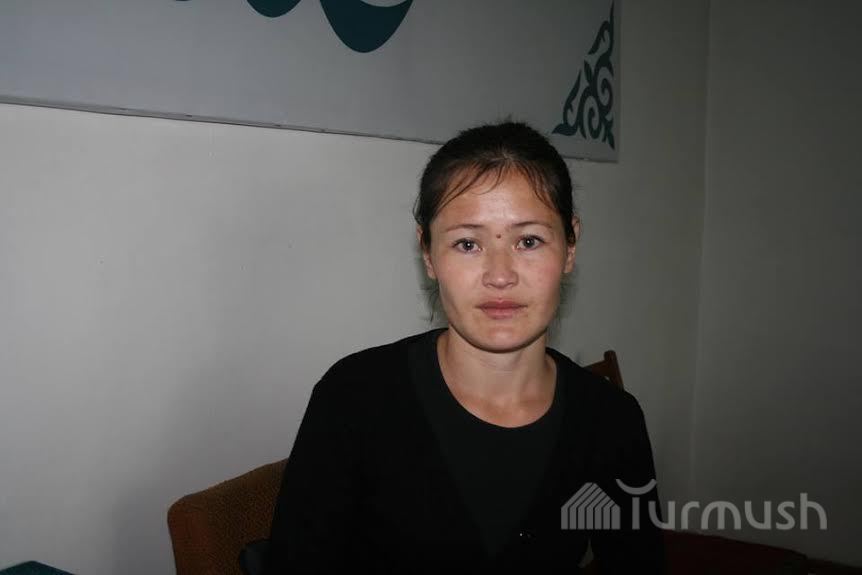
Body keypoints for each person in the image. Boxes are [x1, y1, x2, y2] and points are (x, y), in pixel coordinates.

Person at [261, 121, 665, 574]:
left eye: (529, 241)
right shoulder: (353, 399)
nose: (500, 275)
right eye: (468, 244)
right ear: (428, 254)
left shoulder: (612, 421)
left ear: (570, 247)